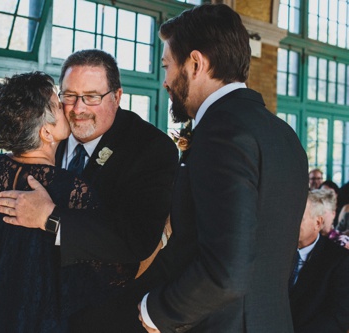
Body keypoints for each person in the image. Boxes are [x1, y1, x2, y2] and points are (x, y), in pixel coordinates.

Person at [74, 5, 307, 332]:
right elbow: (198, 246)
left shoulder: (221, 134)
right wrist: (119, 309)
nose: (166, 81)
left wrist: (154, 311)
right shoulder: (283, 134)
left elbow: (225, 272)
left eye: (168, 66)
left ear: (196, 64)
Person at [0, 71, 132, 332]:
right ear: (46, 132)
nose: (67, 108)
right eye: (57, 104)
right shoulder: (72, 188)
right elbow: (110, 272)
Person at [0, 50, 178, 271]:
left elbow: (137, 240)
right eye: (69, 96)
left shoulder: (151, 148)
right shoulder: (50, 131)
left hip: (106, 296)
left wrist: (51, 218)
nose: (78, 109)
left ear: (117, 97)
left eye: (92, 97)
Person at [289, 188, 349, 332]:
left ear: (318, 223)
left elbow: (338, 317)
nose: (290, 225)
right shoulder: (275, 254)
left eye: (299, 219)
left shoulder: (339, 260)